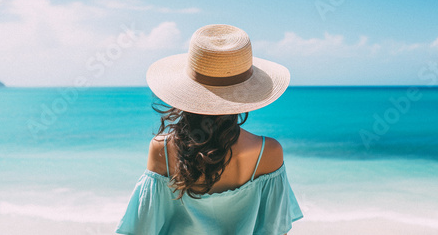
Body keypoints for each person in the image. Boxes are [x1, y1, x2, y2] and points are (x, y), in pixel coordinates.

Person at [115, 24, 303, 235]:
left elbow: (141, 230)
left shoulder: (163, 150)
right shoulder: (268, 151)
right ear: (245, 93)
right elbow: (276, 231)